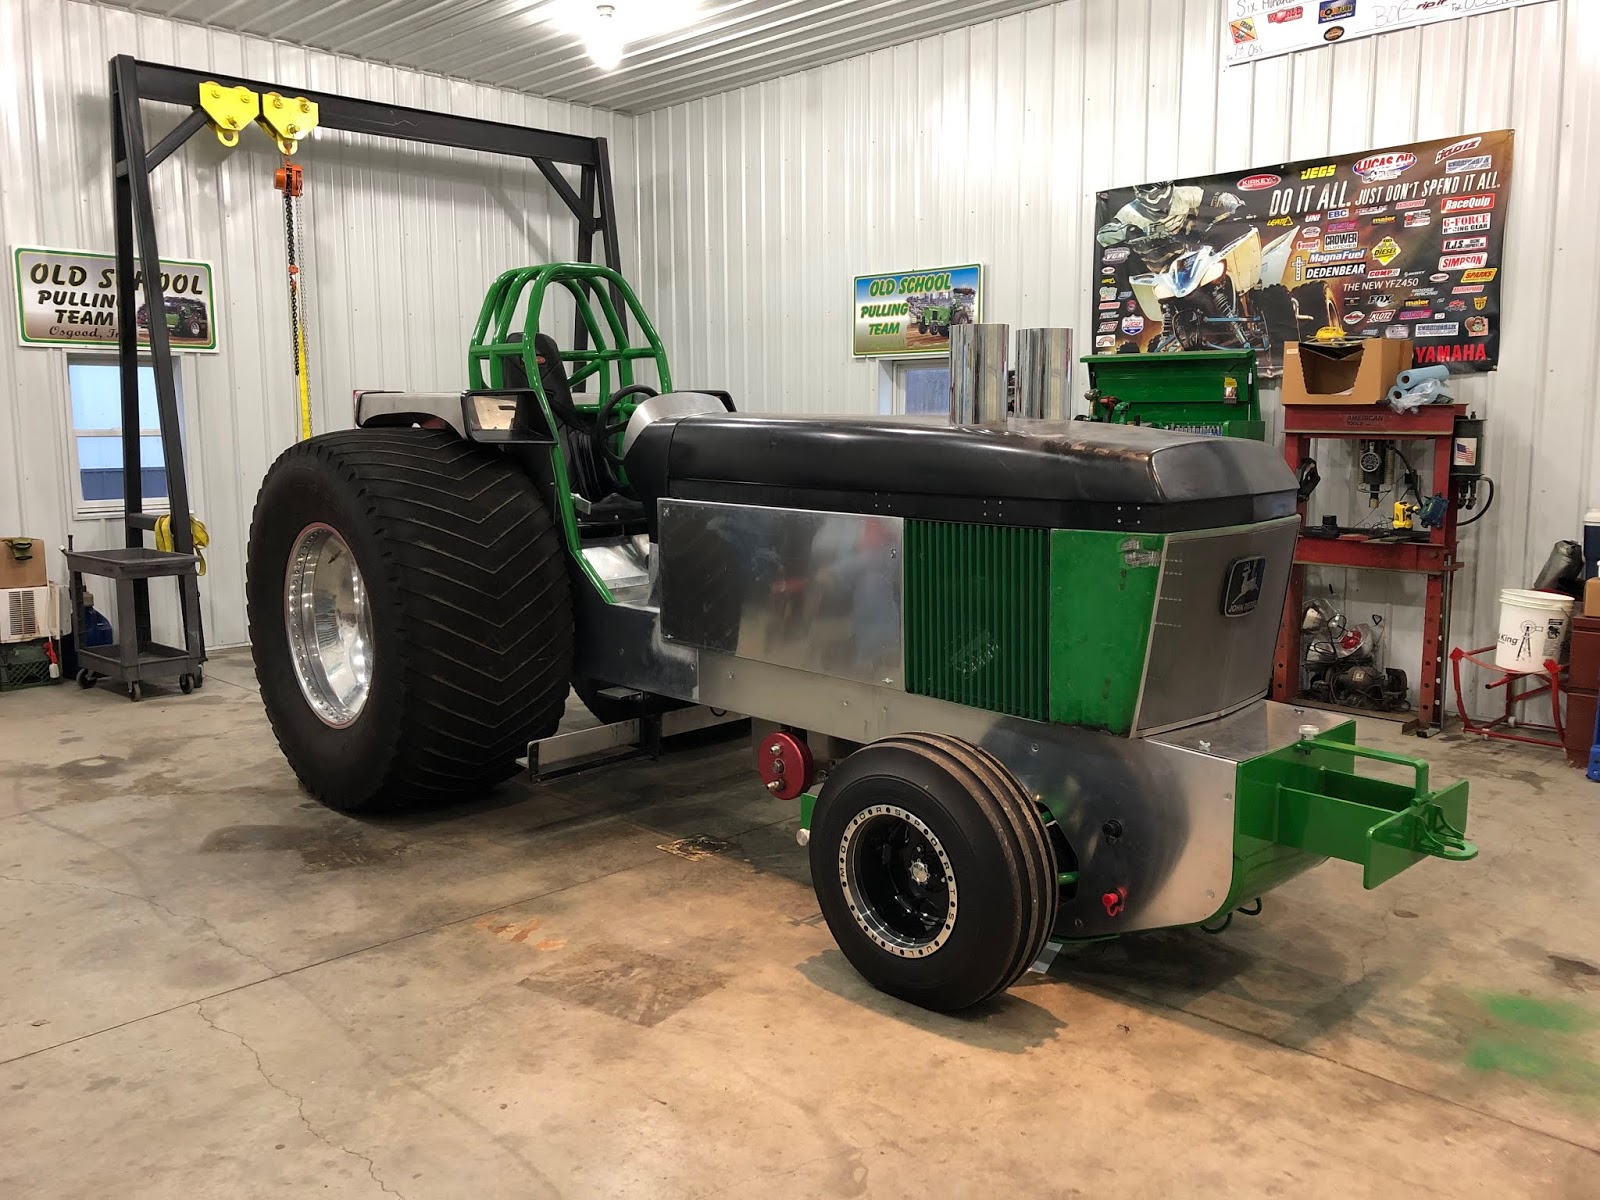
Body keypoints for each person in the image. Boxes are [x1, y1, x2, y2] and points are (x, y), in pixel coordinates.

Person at [1096, 181, 1242, 247]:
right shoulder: (1130, 212)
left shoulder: (1185, 193)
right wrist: (1125, 232)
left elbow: (1220, 198)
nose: (1160, 201)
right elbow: (1102, 236)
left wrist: (1235, 205)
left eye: (1161, 191)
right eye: (1154, 194)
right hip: (1161, 270)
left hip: (1198, 248)